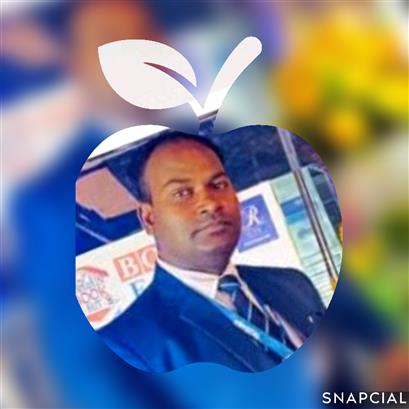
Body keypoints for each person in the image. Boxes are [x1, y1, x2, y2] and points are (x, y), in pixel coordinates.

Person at [98, 132, 325, 372]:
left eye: (218, 185)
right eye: (182, 193)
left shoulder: (293, 284)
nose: (210, 203)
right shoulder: (128, 346)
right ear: (149, 218)